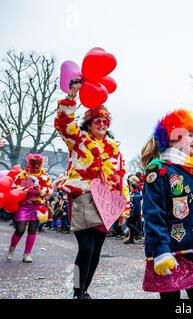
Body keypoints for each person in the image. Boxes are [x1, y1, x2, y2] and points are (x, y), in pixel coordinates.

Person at [54, 78, 129, 299]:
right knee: (85, 248)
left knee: (96, 250)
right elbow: (64, 123)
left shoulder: (114, 150)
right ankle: (77, 290)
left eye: (106, 121)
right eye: (97, 120)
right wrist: (72, 95)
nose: (102, 124)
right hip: (83, 197)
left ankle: (83, 290)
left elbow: (121, 178)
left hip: (106, 203)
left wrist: (123, 209)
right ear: (89, 123)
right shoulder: (78, 140)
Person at [140, 109, 193, 300]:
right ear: (172, 138)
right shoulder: (159, 171)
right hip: (169, 250)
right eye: (190, 135)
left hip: (191, 250)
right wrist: (161, 251)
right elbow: (153, 215)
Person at [5, 154, 52, 262]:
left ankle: (27, 254)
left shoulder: (44, 175)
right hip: (24, 204)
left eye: (38, 165)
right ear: (29, 164)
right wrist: (25, 189)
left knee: (32, 230)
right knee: (20, 229)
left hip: (37, 205)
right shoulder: (23, 174)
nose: (36, 167)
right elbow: (13, 186)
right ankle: (11, 249)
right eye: (33, 165)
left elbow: (49, 189)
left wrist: (39, 190)